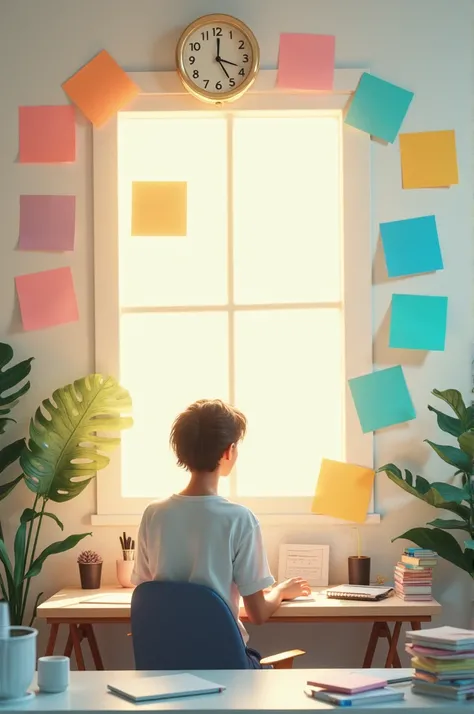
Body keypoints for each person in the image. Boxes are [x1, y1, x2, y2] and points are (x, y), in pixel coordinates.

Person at [131, 398, 310, 669]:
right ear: (229, 451)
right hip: (225, 669)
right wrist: (281, 592)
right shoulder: (239, 519)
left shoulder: (153, 514)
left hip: (164, 672)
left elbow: (148, 592)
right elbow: (258, 613)